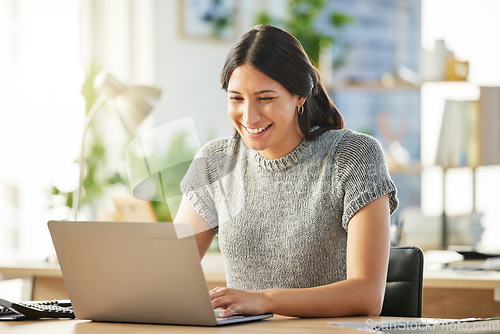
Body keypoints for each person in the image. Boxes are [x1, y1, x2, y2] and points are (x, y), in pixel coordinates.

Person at [174, 24, 398, 318]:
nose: (249, 115)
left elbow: (367, 295)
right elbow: (169, 274)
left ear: (300, 96)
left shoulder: (352, 156)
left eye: (265, 98)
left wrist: (266, 300)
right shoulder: (216, 162)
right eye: (236, 98)